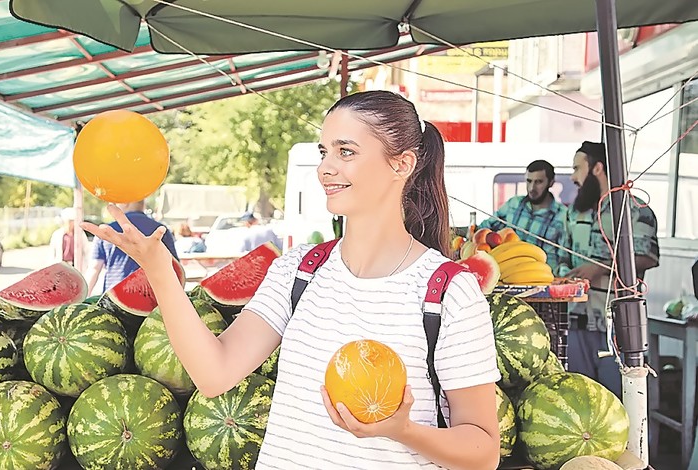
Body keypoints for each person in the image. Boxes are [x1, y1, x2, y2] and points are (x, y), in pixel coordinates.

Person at [82, 91, 500, 469]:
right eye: (324, 152)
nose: (325, 169)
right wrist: (158, 270)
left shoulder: (449, 292)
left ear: (402, 164)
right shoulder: (299, 270)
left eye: (346, 152)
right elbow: (214, 374)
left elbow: (483, 452)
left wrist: (401, 429)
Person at [559, 141, 660, 397]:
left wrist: (599, 268)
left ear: (597, 168)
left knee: (618, 400)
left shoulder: (635, 209)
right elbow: (562, 255)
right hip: (576, 320)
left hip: (617, 324)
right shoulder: (574, 212)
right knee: (579, 399)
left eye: (576, 168)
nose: (572, 177)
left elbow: (646, 257)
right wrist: (563, 276)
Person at [479, 160, 569, 274]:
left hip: (542, 279)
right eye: (529, 181)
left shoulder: (562, 216)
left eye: (539, 182)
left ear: (551, 183)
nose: (532, 188)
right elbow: (484, 228)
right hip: (507, 274)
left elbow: (563, 260)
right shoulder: (513, 204)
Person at [85, 200, 178, 295]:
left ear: (125, 202)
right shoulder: (161, 230)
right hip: (152, 297)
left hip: (113, 294)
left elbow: (94, 268)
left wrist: (82, 299)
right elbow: (174, 267)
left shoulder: (106, 231)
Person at [49, 208, 90, 273]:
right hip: (61, 266)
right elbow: (52, 253)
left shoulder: (80, 234)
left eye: (72, 221)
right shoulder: (57, 234)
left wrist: (86, 266)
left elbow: (86, 251)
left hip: (75, 266)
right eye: (69, 221)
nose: (71, 223)